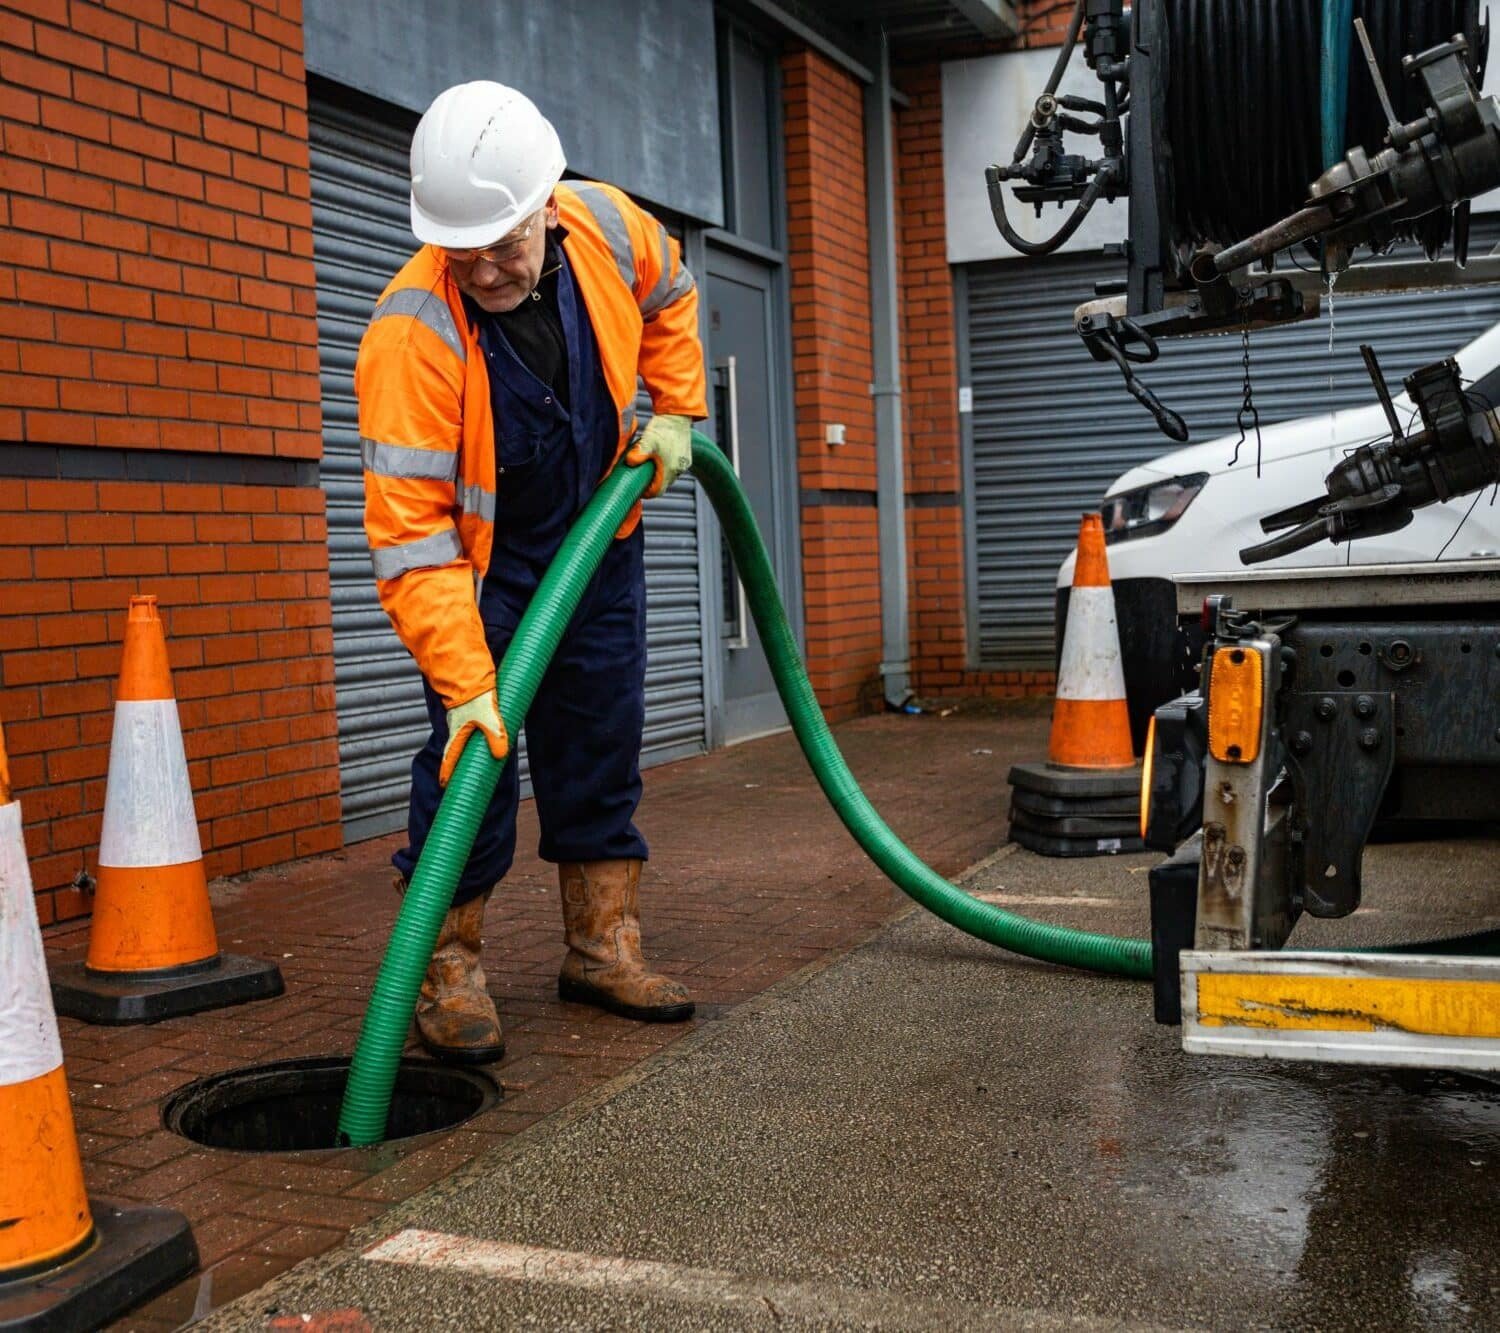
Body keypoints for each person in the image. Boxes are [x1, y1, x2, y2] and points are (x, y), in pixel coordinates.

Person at [354, 81, 707, 1063]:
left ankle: (603, 945)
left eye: (504, 246)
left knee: (600, 744)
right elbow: (411, 537)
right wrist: (468, 684)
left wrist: (677, 409)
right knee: (474, 765)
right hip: (484, 579)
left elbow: (671, 292)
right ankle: (448, 966)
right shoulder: (410, 335)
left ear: (547, 207)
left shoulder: (605, 223)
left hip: (600, 542)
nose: (487, 271)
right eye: (462, 255)